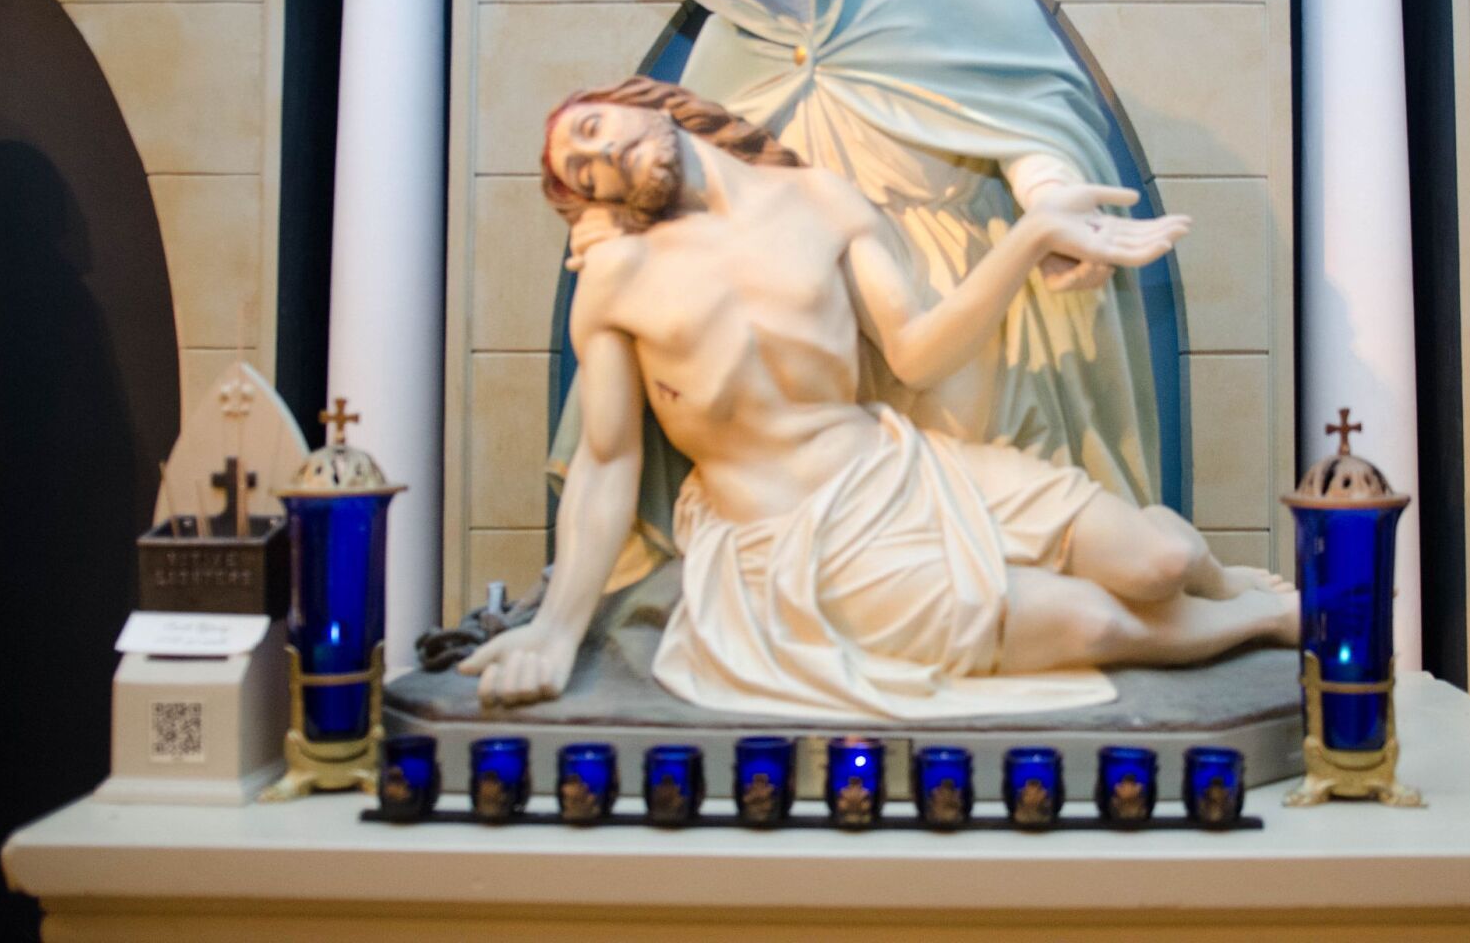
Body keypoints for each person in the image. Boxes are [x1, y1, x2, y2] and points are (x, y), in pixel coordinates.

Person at [462, 79, 1295, 720]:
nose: (600, 160)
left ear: (644, 102)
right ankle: (1260, 623)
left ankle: (1224, 583)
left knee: (1163, 561)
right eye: (582, 173)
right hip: (790, 538)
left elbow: (916, 354)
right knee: (1094, 625)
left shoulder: (821, 201)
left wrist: (1031, 235)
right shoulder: (617, 275)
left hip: (904, 468)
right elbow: (607, 461)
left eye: (592, 130)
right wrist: (556, 632)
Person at [548, 0, 1167, 589]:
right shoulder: (728, 48)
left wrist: (1050, 201)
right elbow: (689, 195)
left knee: (972, 542)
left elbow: (1028, 109)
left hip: (957, 295)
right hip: (819, 327)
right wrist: (614, 233)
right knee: (860, 557)